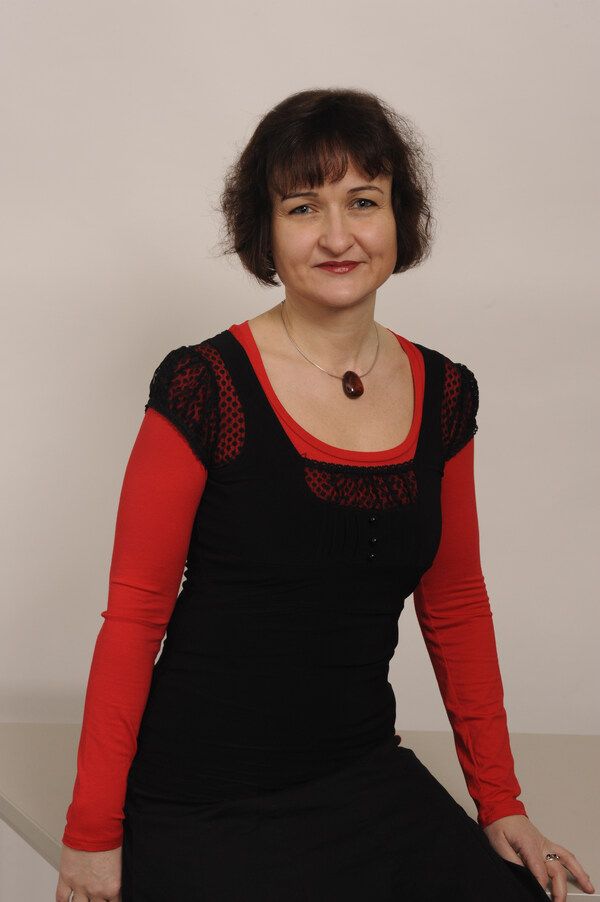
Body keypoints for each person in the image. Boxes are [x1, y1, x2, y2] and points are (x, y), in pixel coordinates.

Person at [56, 89, 594, 902]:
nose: (338, 236)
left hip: (363, 775)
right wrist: (92, 834)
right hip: (204, 798)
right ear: (265, 232)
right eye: (303, 207)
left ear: (400, 219)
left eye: (363, 202)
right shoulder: (204, 386)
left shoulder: (446, 394)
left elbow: (455, 605)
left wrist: (500, 801)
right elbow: (135, 618)